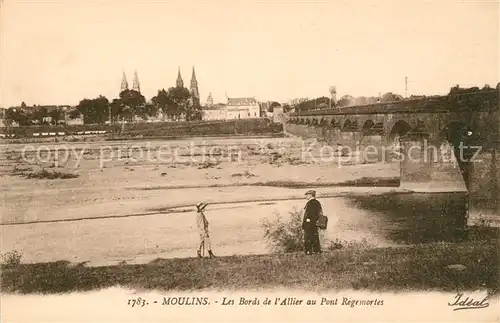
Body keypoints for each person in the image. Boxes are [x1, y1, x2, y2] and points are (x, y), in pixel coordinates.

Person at [302, 190, 322, 255]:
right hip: (315, 223)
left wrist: (308, 221)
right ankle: (317, 250)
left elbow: (310, 214)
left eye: (307, 195)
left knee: (308, 237)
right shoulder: (317, 202)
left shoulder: (311, 202)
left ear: (311, 195)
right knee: (315, 236)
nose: (306, 196)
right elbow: (319, 213)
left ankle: (308, 251)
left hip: (309, 223)